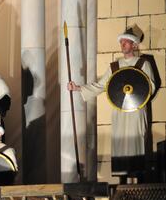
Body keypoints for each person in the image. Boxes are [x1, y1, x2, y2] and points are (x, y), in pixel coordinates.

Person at [67, 26, 156, 184]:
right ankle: (122, 185)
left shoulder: (144, 64)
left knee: (137, 143)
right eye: (121, 42)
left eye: (126, 42)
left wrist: (136, 96)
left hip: (136, 111)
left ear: (134, 45)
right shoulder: (114, 66)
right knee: (120, 143)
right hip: (120, 111)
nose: (123, 44)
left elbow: (150, 86)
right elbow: (101, 85)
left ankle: (140, 184)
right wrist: (78, 88)